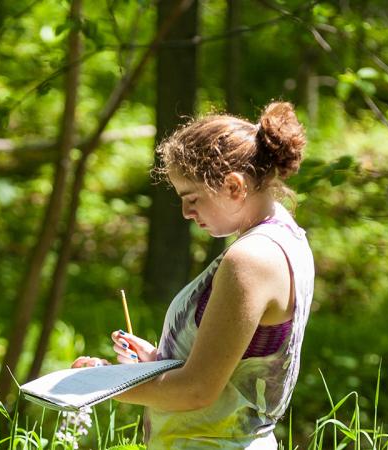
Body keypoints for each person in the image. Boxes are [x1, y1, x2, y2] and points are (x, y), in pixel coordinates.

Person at [72, 102, 314, 449]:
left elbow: (198, 390)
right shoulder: (287, 238)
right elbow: (230, 369)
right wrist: (158, 362)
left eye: (193, 198)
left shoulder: (250, 259)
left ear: (234, 187)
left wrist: (101, 383)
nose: (187, 212)